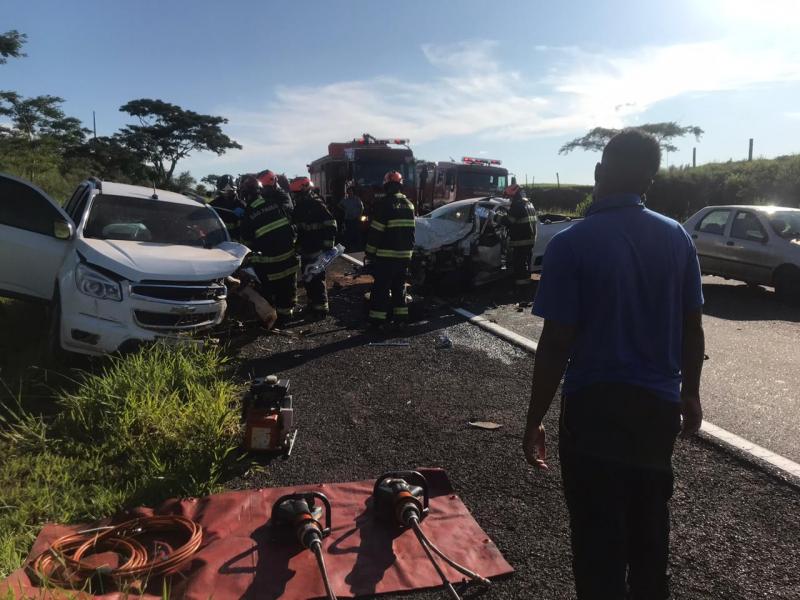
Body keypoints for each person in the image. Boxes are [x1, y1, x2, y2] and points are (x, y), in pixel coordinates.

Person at [522, 129, 705, 600]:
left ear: (599, 173)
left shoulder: (571, 244)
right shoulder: (677, 238)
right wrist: (691, 394)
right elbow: (692, 329)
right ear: (651, 180)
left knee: (597, 537)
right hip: (657, 410)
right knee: (649, 529)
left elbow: (557, 341)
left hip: (594, 409)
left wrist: (535, 418)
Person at [239, 174, 298, 326]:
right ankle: (287, 315)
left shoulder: (248, 213)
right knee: (288, 286)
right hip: (289, 254)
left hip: (270, 262)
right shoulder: (274, 203)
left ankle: (274, 319)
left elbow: (246, 243)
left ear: (244, 194)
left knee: (272, 289)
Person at [364, 171, 415, 329]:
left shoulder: (384, 204)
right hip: (404, 256)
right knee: (399, 288)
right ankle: (401, 320)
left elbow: (376, 232)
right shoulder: (409, 204)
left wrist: (370, 253)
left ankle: (377, 321)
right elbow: (411, 232)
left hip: (386, 256)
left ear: (386, 186)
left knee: (381, 289)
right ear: (400, 185)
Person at [291, 176, 337, 319]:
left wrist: (327, 246)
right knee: (307, 278)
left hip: (317, 248)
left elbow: (331, 224)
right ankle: (312, 305)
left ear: (305, 191)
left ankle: (321, 309)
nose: (295, 196)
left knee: (316, 279)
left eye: (297, 193)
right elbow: (298, 228)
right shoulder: (299, 206)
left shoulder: (317, 204)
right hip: (306, 248)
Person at [501, 183, 537, 306]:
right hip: (529, 241)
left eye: (509, 197)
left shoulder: (518, 205)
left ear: (514, 195)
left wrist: (496, 218)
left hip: (521, 241)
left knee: (520, 267)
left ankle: (522, 293)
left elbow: (509, 221)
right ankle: (527, 291)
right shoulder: (529, 204)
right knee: (525, 266)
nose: (509, 200)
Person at [210, 174, 245, 240]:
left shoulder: (241, 205)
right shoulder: (215, 203)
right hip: (216, 237)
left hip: (233, 240)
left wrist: (244, 214)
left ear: (235, 189)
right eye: (224, 190)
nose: (227, 193)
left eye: (230, 190)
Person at [338, 185, 364, 251]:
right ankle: (348, 246)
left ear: (353, 192)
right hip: (348, 219)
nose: (349, 192)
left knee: (356, 232)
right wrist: (344, 209)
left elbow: (361, 207)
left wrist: (359, 215)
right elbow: (339, 205)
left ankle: (358, 246)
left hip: (355, 218)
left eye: (351, 191)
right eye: (348, 191)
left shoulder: (357, 199)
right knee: (348, 233)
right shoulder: (345, 199)